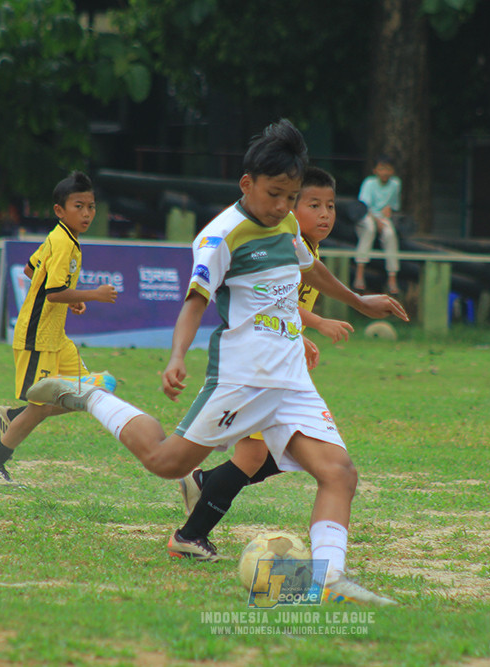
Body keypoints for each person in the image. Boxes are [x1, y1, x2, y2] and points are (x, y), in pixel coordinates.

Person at [26, 120, 409, 605]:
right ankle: (89, 394)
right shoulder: (220, 237)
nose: (282, 207)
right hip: (241, 378)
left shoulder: (288, 222)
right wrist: (177, 356)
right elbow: (194, 302)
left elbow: (308, 266)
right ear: (246, 184)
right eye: (274, 194)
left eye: (291, 197)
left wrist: (357, 300)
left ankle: (327, 582)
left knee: (340, 473)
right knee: (166, 463)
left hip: (289, 379)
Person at [167, 165, 353, 562]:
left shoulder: (298, 243)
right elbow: (265, 302)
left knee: (295, 460)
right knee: (248, 458)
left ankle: (201, 493)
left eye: (331, 206)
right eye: (313, 204)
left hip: (282, 369)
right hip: (254, 370)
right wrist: (315, 324)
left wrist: (299, 334)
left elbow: (278, 305)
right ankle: (192, 525)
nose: (324, 214)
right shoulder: (258, 235)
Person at [0, 170, 118, 486]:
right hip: (38, 338)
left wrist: (70, 299)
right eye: (79, 206)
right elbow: (52, 292)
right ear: (59, 210)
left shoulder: (60, 238)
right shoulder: (62, 242)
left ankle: (11, 416)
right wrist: (92, 294)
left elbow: (30, 268)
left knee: (91, 391)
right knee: (39, 409)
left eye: (91, 206)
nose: (87, 213)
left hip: (56, 338)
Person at [353, 155, 402, 295]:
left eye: (388, 169)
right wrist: (376, 220)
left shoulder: (396, 184)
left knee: (390, 234)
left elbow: (393, 206)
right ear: (375, 170)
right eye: (381, 169)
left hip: (382, 217)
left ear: (392, 171)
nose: (385, 172)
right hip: (367, 216)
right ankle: (359, 275)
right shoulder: (369, 183)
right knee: (369, 228)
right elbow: (364, 207)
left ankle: (392, 279)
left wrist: (389, 210)